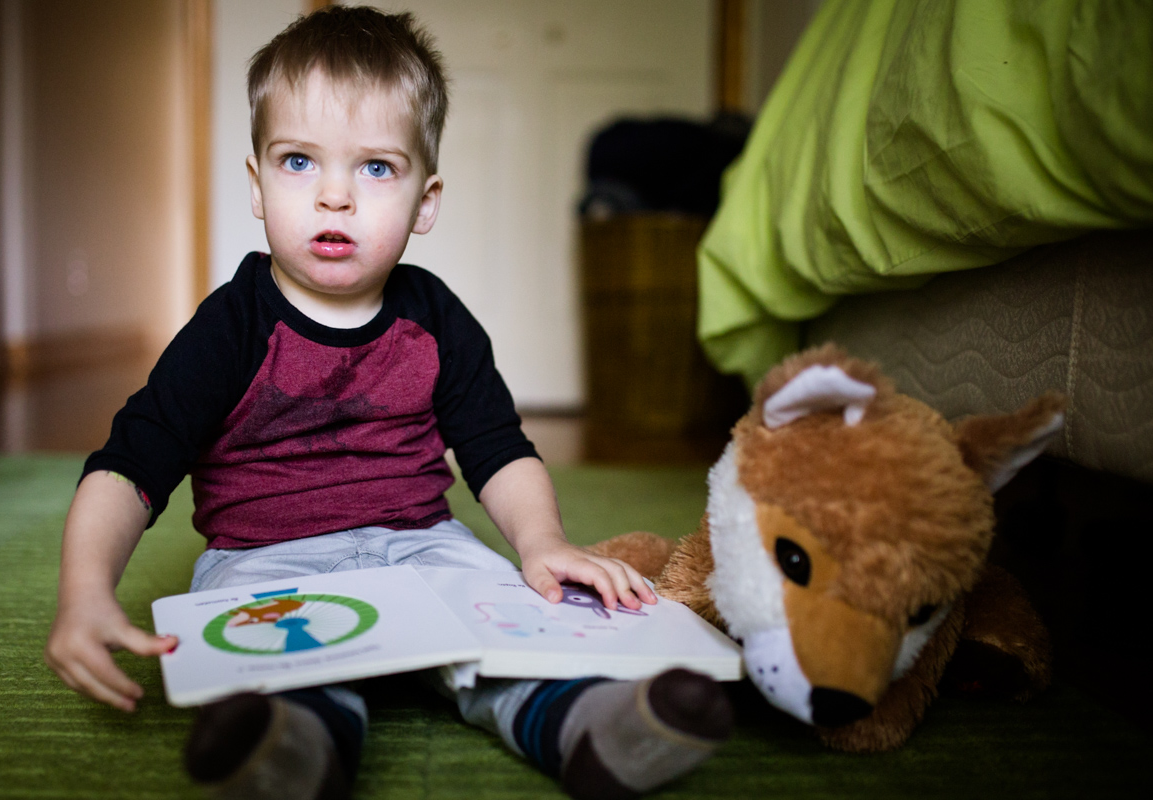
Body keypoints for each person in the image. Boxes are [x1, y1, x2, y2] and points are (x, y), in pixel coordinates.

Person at [43, 7, 732, 799]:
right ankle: (292, 746)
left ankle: (592, 726)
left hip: (424, 544)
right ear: (258, 185)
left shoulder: (435, 318)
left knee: (511, 635)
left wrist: (542, 542)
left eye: (374, 168)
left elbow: (499, 448)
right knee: (280, 664)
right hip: (264, 563)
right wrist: (85, 591)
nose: (335, 196)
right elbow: (131, 464)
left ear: (424, 201)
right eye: (299, 161)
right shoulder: (230, 326)